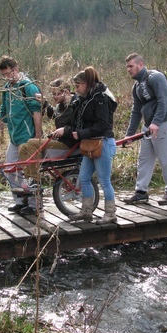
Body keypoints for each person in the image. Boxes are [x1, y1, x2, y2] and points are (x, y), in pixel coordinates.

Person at [52, 67, 118, 224]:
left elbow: (103, 124)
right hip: (89, 144)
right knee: (84, 177)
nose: (75, 90)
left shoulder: (100, 98)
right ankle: (86, 211)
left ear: (86, 84)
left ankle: (110, 213)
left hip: (102, 142)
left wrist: (81, 133)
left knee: (104, 180)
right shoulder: (83, 99)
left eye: (77, 86)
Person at [122, 53, 167, 206]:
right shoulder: (137, 86)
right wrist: (130, 135)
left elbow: (163, 100)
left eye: (131, 66)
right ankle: (141, 192)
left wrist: (156, 122)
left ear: (140, 65)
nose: (128, 69)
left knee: (166, 158)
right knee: (144, 159)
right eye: (127, 67)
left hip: (163, 123)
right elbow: (136, 111)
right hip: (148, 126)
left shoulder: (155, 77)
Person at [0, 55, 43, 216]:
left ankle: (35, 204)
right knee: (10, 169)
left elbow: (37, 111)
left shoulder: (28, 86)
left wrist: (38, 135)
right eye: (4, 75)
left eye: (8, 73)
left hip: (27, 137)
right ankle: (20, 201)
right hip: (14, 137)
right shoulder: (7, 89)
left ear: (15, 69)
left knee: (29, 171)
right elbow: (4, 112)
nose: (7, 77)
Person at [18, 78, 77, 177]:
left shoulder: (75, 105)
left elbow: (77, 126)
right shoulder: (61, 105)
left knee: (32, 143)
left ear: (66, 92)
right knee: (22, 147)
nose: (55, 97)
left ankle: (34, 180)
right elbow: (55, 115)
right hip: (60, 141)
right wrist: (44, 103)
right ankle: (28, 177)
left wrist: (64, 130)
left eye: (58, 94)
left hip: (69, 144)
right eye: (53, 94)